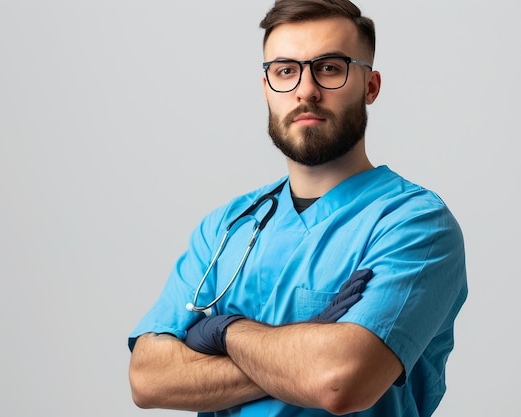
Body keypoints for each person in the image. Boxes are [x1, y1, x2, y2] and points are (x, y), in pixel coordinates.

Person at [128, 0, 468, 416]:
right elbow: (147, 379)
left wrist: (220, 331)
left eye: (329, 67)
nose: (305, 90)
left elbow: (340, 382)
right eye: (285, 71)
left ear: (370, 86)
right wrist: (308, 349)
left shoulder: (415, 225)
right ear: (267, 88)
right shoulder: (226, 227)